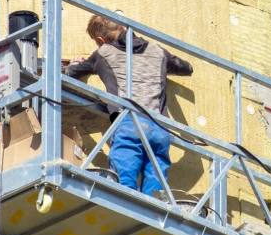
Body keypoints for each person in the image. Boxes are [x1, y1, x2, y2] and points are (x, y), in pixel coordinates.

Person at [65, 15, 193, 197]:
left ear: (101, 40)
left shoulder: (104, 52)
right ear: (124, 29)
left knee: (124, 189)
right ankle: (154, 214)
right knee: (156, 191)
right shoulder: (157, 51)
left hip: (129, 124)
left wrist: (74, 64)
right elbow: (186, 68)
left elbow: (71, 73)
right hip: (160, 128)